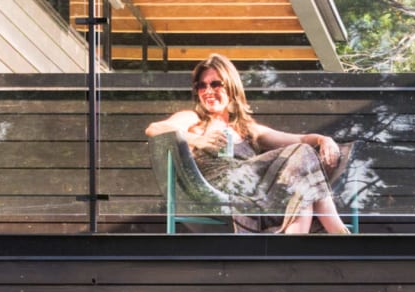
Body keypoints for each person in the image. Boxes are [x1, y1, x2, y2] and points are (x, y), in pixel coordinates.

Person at [146, 53, 349, 234]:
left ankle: (292, 249)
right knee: (303, 169)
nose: (208, 91)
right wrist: (198, 140)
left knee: (303, 182)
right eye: (201, 85)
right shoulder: (194, 119)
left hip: (255, 195)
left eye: (215, 84)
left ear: (231, 87)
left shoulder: (247, 129)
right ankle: (340, 234)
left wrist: (323, 139)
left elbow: (300, 140)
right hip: (220, 189)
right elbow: (155, 128)